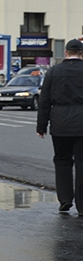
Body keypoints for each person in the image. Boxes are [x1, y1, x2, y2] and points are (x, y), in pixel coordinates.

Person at [36, 38, 83, 214]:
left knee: (62, 160)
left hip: (60, 124)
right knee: (81, 163)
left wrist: (41, 126)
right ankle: (82, 205)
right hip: (81, 124)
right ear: (81, 53)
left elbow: (44, 101)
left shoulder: (53, 72)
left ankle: (65, 199)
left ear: (66, 53)